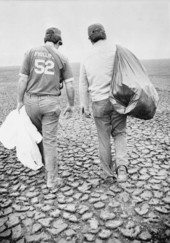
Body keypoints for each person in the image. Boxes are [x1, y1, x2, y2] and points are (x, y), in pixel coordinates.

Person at [17, 27, 75, 188]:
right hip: (50, 102)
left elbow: (22, 80)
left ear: (45, 40)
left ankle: (42, 165)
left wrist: (19, 101)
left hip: (31, 101)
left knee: (37, 135)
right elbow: (70, 84)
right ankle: (52, 179)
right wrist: (71, 104)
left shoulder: (30, 52)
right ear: (58, 42)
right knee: (50, 141)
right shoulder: (62, 57)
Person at [79, 23, 128, 182]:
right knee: (120, 133)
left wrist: (84, 106)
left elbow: (83, 84)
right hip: (117, 100)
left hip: (99, 103)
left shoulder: (86, 56)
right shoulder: (115, 50)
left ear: (90, 39)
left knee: (103, 138)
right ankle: (122, 170)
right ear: (104, 34)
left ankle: (108, 175)